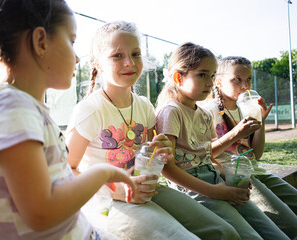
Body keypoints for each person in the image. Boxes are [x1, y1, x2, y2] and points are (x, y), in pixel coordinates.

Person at [0, 1, 137, 239]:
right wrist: (103, 172)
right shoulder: (11, 109)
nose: (77, 58)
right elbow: (42, 212)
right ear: (40, 41)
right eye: (71, 41)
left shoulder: (18, 106)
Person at [66, 21, 242, 240]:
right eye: (117, 56)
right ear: (98, 64)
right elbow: (66, 171)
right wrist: (116, 189)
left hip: (148, 190)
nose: (129, 62)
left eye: (136, 54)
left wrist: (161, 152)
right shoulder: (90, 110)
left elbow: (156, 160)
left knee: (225, 233)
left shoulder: (144, 106)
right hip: (107, 203)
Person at [155, 42, 290, 240]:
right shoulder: (171, 112)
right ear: (178, 77)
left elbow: (206, 156)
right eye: (202, 75)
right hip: (195, 189)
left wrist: (227, 176)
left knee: (274, 233)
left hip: (217, 179)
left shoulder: (203, 114)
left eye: (211, 75)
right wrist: (216, 192)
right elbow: (167, 168)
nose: (209, 82)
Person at [202, 56, 297, 239]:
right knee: (292, 226)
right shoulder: (209, 111)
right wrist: (235, 134)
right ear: (219, 82)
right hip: (236, 176)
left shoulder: (245, 108)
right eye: (237, 79)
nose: (244, 85)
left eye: (249, 79)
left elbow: (257, 154)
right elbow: (206, 154)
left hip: (257, 171)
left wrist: (260, 122)